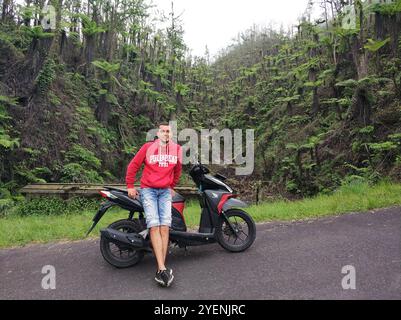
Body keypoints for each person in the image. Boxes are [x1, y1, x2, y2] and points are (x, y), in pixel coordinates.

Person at [125, 123, 182, 287]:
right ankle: (162, 267)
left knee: (165, 227)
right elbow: (133, 166)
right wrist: (130, 185)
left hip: (164, 191)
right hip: (148, 190)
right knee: (154, 226)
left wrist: (172, 186)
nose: (166, 134)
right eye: (163, 131)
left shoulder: (176, 149)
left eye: (168, 131)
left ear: (171, 134)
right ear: (158, 134)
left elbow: (178, 170)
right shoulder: (148, 147)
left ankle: (160, 269)